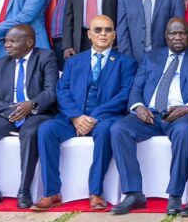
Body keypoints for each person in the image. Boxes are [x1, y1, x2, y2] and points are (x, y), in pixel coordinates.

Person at [109, 18, 188, 216]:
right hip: (149, 114)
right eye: (173, 33)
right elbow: (137, 87)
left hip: (180, 114)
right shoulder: (151, 57)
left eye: (182, 33)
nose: (177, 37)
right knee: (118, 129)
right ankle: (133, 193)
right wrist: (138, 106)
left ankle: (175, 194)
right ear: (166, 36)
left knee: (184, 131)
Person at [34, 15, 138, 211]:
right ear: (89, 34)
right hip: (73, 118)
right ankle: (51, 192)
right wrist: (75, 117)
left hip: (104, 119)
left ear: (114, 35)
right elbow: (62, 90)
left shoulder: (126, 63)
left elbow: (125, 95)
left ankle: (96, 192)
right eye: (98, 30)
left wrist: (94, 116)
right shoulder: (74, 62)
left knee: (108, 131)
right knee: (46, 129)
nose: (103, 34)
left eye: (108, 30)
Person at [0, 24, 59, 210]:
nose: (7, 45)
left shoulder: (46, 57)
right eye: (6, 41)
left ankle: (24, 190)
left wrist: (31, 105)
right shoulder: (0, 64)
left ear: (29, 42)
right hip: (7, 114)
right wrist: (15, 109)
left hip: (36, 113)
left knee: (30, 133)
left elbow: (51, 92)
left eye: (13, 41)